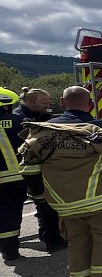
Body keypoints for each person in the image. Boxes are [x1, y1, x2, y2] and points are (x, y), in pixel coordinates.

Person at [17, 86, 102, 277]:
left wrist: (41, 197)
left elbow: (29, 172)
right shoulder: (100, 131)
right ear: (90, 104)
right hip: (101, 202)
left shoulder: (40, 133)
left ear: (62, 104)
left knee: (77, 240)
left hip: (64, 206)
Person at [11, 87, 66, 252]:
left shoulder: (38, 115)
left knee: (45, 205)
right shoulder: (21, 119)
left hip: (38, 169)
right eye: (44, 103)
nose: (48, 106)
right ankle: (53, 241)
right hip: (28, 171)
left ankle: (48, 235)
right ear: (30, 102)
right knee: (45, 205)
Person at [0, 88, 27, 263]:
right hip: (17, 177)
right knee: (11, 213)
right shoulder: (18, 121)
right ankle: (10, 250)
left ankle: (6, 248)